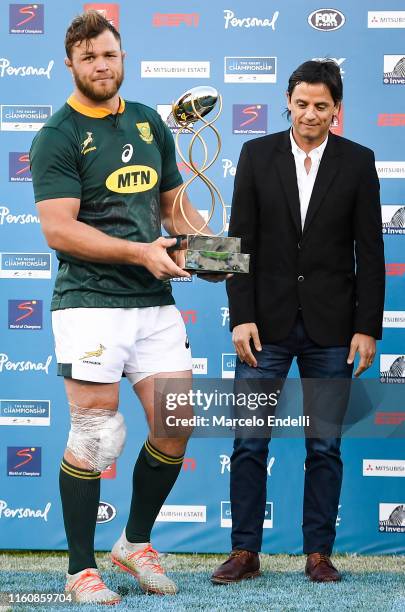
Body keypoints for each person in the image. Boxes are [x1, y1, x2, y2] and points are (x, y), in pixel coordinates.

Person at [30, 11, 225, 605]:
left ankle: (135, 543)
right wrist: (141, 252)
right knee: (94, 434)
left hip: (152, 303)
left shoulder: (147, 123)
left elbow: (173, 211)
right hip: (89, 303)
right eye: (89, 58)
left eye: (109, 55)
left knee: (176, 425)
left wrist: (209, 248)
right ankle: (80, 570)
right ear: (71, 64)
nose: (101, 66)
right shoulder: (57, 136)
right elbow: (60, 231)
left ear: (123, 57)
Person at [211, 60, 385, 584]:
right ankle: (244, 551)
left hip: (332, 331)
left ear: (337, 110)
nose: (311, 114)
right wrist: (240, 318)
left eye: (322, 106)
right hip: (264, 327)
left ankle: (318, 554)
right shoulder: (256, 155)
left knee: (325, 444)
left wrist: (367, 327)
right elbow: (236, 245)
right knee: (248, 441)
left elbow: (370, 253)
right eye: (302, 103)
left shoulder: (358, 162)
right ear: (288, 101)